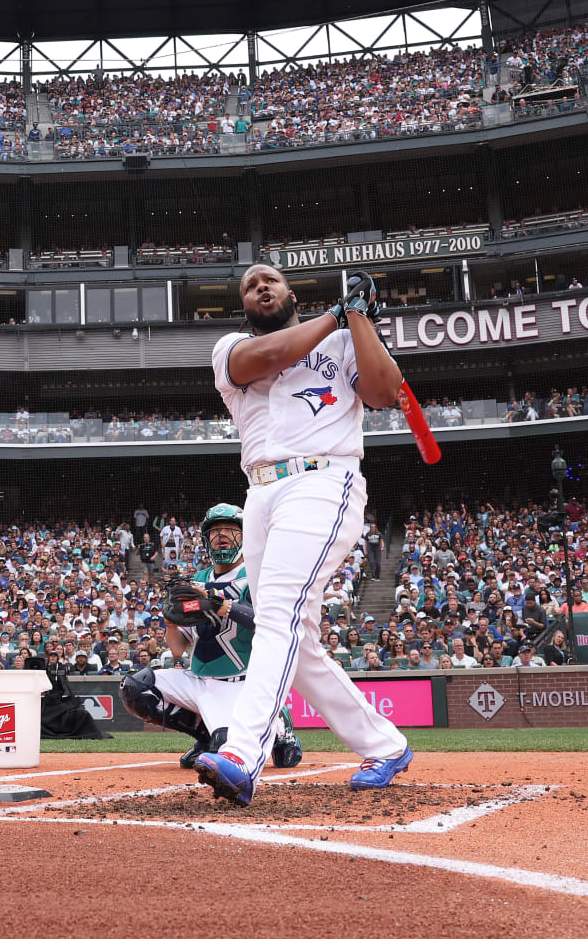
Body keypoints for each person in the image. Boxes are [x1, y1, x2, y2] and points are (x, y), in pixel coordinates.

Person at [194, 264, 412, 806]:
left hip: (323, 480)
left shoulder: (342, 338)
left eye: (270, 279)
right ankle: (385, 745)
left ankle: (243, 754)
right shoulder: (229, 348)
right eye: (249, 285)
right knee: (300, 640)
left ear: (292, 292)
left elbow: (386, 392)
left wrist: (358, 318)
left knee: (277, 615)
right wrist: (339, 313)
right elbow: (266, 357)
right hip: (260, 495)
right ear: (244, 304)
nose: (260, 286)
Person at [120, 504, 302, 771]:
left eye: (230, 529)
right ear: (206, 539)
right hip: (198, 679)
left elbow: (271, 623)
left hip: (238, 682)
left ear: (246, 536)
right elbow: (179, 648)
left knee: (226, 752)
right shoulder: (197, 580)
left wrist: (223, 606)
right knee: (136, 687)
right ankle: (204, 736)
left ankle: (279, 724)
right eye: (215, 531)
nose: (221, 536)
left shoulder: (258, 576)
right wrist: (171, 623)